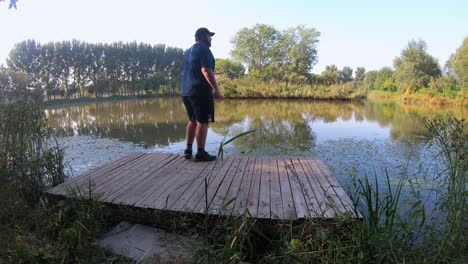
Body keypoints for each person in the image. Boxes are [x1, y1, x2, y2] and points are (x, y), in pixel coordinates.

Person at [181, 27, 223, 162]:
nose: (211, 39)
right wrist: (216, 89)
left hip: (186, 92)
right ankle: (200, 153)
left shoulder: (188, 52)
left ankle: (188, 150)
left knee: (193, 120)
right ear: (202, 36)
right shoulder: (204, 49)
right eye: (209, 36)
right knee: (202, 122)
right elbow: (205, 70)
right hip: (200, 92)